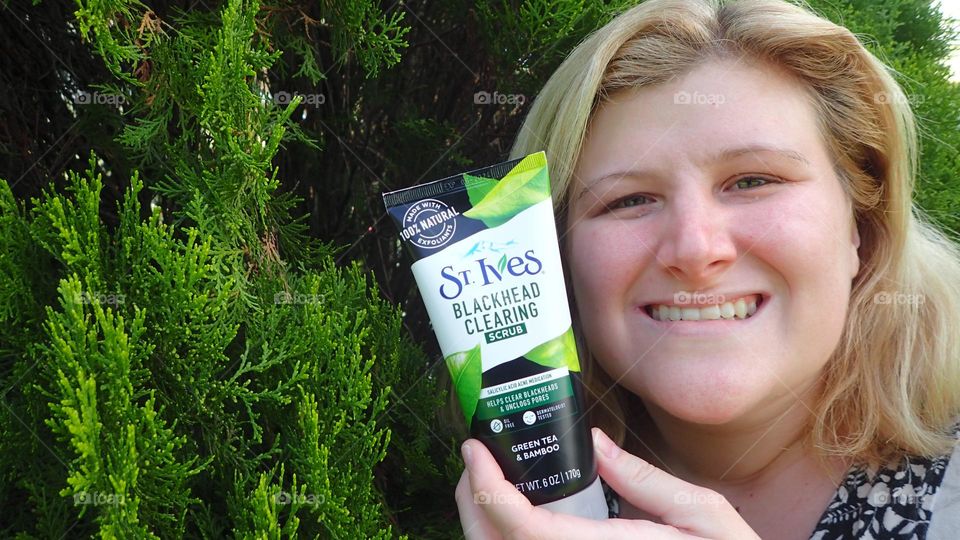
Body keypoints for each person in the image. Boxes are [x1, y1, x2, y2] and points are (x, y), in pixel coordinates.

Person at [454, 0, 960, 538]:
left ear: (862, 222)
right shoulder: (527, 498)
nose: (695, 250)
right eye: (628, 200)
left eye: (752, 181)